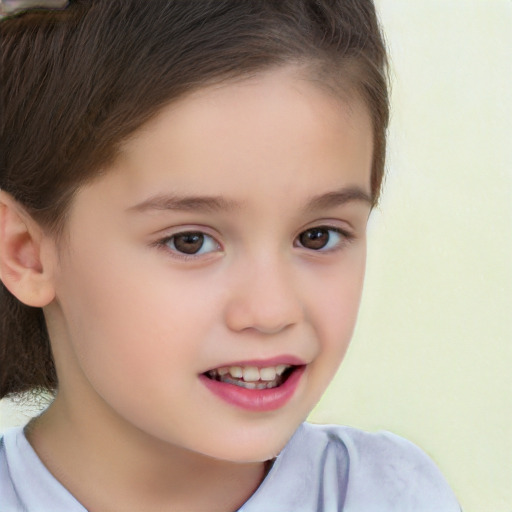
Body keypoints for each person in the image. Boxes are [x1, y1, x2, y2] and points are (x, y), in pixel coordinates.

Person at [0, 1, 461, 510]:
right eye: (189, 241)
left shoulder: (387, 495)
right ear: (26, 254)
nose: (272, 311)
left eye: (318, 236)